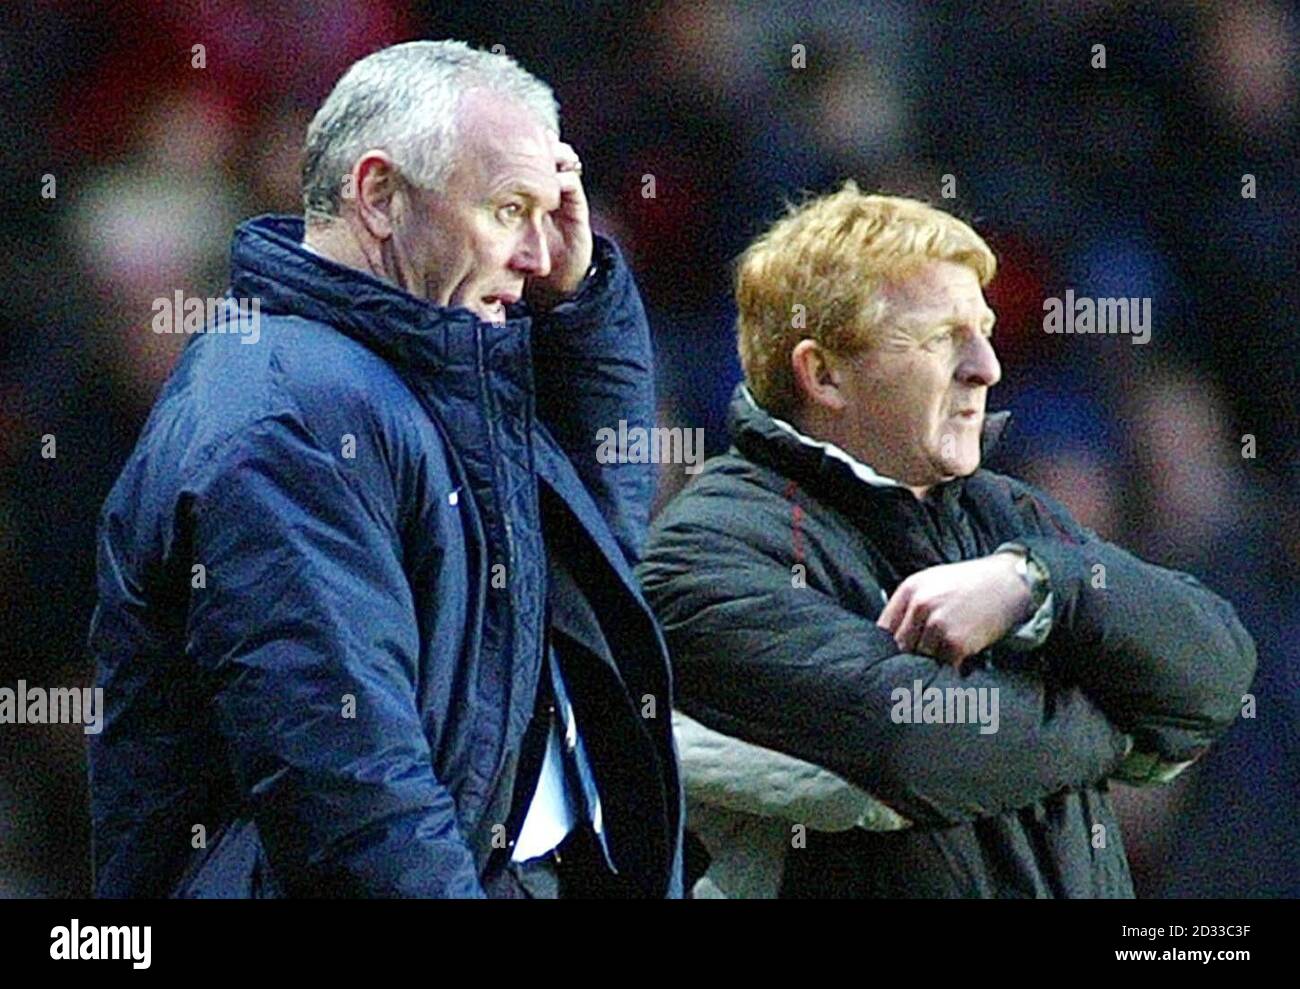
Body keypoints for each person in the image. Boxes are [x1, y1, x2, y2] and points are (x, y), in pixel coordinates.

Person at [87, 40, 682, 899]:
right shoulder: (285, 414)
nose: (535, 251)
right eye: (510, 208)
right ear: (378, 196)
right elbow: (357, 799)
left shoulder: (437, 360)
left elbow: (591, 574)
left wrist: (580, 308)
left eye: (548, 212)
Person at [637, 183, 1256, 898]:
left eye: (984, 330)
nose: (986, 367)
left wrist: (1038, 584)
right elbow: (915, 745)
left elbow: (1218, 665)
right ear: (824, 373)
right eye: (941, 337)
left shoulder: (1008, 514)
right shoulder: (705, 547)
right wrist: (1120, 734)